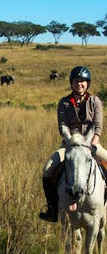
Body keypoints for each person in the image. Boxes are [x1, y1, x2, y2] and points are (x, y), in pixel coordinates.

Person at [39, 65, 107, 222]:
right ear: (72, 83)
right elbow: (62, 126)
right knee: (48, 169)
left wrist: (92, 145)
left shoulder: (95, 101)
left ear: (87, 83)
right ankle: (52, 208)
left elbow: (98, 127)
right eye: (77, 81)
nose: (80, 84)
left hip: (92, 145)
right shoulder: (64, 103)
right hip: (69, 145)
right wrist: (71, 142)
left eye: (83, 81)